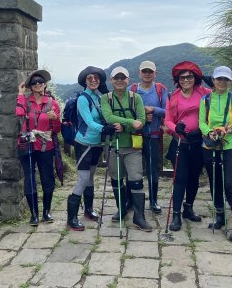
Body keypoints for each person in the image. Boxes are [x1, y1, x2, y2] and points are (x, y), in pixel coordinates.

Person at [101, 66, 152, 231]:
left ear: (128, 80)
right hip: (113, 145)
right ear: (111, 80)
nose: (120, 80)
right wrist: (130, 122)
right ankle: (121, 209)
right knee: (116, 180)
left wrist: (124, 127)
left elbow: (142, 120)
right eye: (117, 78)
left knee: (136, 179)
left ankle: (139, 216)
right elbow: (108, 117)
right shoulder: (106, 98)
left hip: (132, 146)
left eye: (123, 78)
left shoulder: (135, 98)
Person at [199, 65, 232, 242]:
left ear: (229, 81)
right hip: (210, 145)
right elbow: (201, 122)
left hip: (230, 145)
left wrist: (229, 130)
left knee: (229, 183)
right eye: (219, 79)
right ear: (214, 80)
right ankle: (220, 215)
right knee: (215, 181)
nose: (222, 82)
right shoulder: (205, 100)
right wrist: (210, 132)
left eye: (225, 79)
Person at [165, 61, 212, 232]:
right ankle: (176, 213)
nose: (186, 80)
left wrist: (211, 81)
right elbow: (168, 120)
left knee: (194, 177)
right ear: (178, 79)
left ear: (195, 77)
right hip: (180, 142)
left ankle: (188, 207)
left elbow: (220, 95)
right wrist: (175, 128)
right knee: (180, 178)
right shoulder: (174, 96)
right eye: (182, 77)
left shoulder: (204, 92)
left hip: (198, 141)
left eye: (189, 76)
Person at [67, 66, 111, 231]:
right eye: (90, 78)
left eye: (97, 78)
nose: (94, 80)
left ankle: (88, 210)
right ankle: (71, 218)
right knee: (83, 179)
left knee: (91, 176)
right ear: (85, 81)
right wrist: (104, 129)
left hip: (96, 144)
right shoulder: (83, 99)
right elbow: (89, 122)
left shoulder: (98, 97)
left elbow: (102, 117)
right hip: (84, 143)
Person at [16, 70, 62, 226]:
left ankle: (46, 211)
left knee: (47, 177)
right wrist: (21, 93)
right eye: (34, 82)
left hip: (45, 145)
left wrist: (55, 119)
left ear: (45, 84)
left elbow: (56, 129)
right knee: (30, 178)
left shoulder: (52, 103)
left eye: (40, 82)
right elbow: (19, 113)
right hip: (27, 144)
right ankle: (33, 214)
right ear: (30, 86)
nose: (38, 84)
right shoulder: (25, 101)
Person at [130, 61, 168, 214]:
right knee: (133, 169)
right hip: (135, 136)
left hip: (153, 137)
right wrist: (142, 116)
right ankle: (132, 201)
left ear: (155, 73)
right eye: (144, 71)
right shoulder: (131, 90)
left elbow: (167, 111)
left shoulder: (160, 90)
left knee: (153, 169)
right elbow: (125, 111)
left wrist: (153, 109)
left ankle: (153, 201)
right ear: (139, 73)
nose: (147, 74)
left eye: (150, 71)